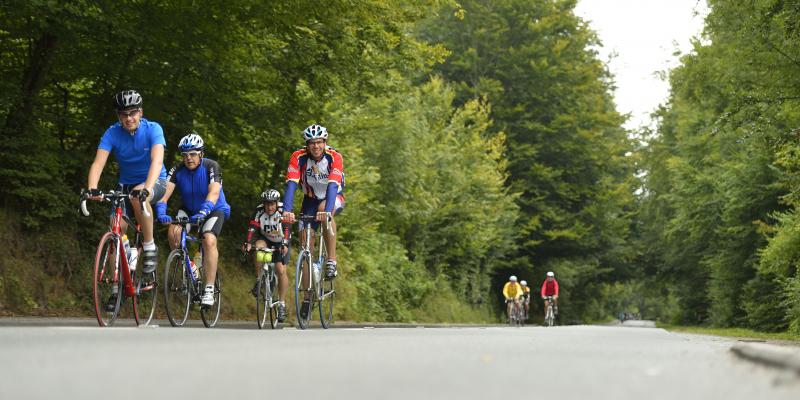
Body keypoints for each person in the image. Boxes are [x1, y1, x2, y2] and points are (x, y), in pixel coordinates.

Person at [86, 90, 167, 310]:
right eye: (123, 114)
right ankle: (117, 289)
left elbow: (157, 161)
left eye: (133, 113)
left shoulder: (153, 129)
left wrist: (147, 188)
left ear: (140, 112)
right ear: (118, 116)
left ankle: (149, 247)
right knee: (115, 229)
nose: (128, 118)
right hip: (126, 185)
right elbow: (98, 164)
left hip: (155, 180)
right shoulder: (112, 133)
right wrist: (92, 189)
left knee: (137, 197)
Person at [155, 132, 231, 309]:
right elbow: (164, 195)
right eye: (185, 155)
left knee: (209, 239)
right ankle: (191, 268)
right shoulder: (177, 170)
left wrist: (204, 210)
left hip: (214, 209)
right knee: (174, 232)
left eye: (193, 154)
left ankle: (209, 289)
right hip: (189, 209)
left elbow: (213, 192)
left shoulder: (211, 166)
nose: (189, 158)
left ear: (201, 154)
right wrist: (161, 212)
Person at [282, 124, 345, 318]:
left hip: (332, 197)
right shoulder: (298, 157)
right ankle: (308, 297)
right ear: (307, 145)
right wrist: (287, 211)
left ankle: (331, 260)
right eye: (312, 143)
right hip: (309, 199)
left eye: (319, 142)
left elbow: (333, 186)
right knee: (305, 244)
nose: (316, 146)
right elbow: (291, 185)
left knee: (323, 212)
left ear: (325, 143)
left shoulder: (335, 157)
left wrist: (327, 211)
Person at [243, 188, 290, 322]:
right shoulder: (259, 211)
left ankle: (281, 304)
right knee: (258, 247)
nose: (269, 207)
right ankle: (259, 280)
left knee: (280, 269)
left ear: (277, 203)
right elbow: (252, 228)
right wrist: (248, 243)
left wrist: (285, 244)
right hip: (266, 240)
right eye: (267, 204)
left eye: (272, 204)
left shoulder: (282, 211)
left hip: (281, 241)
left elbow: (287, 229)